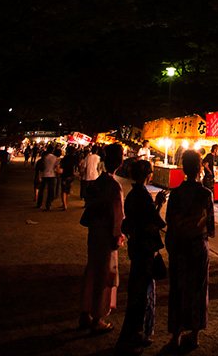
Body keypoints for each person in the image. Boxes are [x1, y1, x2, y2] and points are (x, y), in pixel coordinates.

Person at [115, 160, 167, 354]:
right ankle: (134, 334)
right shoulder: (141, 195)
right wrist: (159, 205)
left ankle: (138, 332)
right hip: (143, 248)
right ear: (148, 175)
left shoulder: (133, 194)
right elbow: (150, 223)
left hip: (136, 246)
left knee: (140, 289)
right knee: (140, 291)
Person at [166, 150, 215, 350]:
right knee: (198, 289)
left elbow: (170, 222)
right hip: (197, 246)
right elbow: (210, 227)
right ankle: (194, 334)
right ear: (200, 167)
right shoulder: (205, 194)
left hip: (179, 246)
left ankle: (175, 334)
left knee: (177, 288)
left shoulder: (176, 193)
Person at [79, 143, 125, 334]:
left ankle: (84, 313)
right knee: (104, 275)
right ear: (119, 161)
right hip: (106, 233)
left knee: (92, 270)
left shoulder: (99, 182)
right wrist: (117, 235)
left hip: (95, 231)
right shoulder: (113, 186)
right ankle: (97, 317)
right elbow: (117, 214)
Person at [36, 145, 60, 210]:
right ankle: (48, 205)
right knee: (50, 191)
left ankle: (39, 203)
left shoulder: (45, 157)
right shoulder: (55, 158)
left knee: (42, 190)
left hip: (44, 174)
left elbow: (42, 166)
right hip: (52, 175)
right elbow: (56, 167)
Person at [59, 146, 76, 210]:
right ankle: (65, 202)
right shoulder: (74, 158)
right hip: (71, 175)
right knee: (68, 190)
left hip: (65, 175)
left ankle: (64, 205)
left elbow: (61, 165)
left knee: (63, 190)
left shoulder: (65, 158)